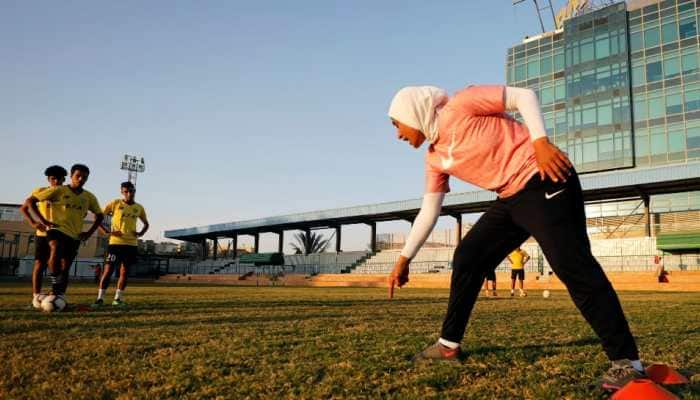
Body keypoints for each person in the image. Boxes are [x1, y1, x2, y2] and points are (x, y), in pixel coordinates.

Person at [386, 85, 643, 390]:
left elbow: (524, 96)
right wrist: (404, 259)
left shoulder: (462, 104)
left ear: (411, 113)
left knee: (572, 266)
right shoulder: (434, 159)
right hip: (510, 198)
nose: (398, 135)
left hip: (543, 178)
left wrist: (541, 143)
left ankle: (628, 363)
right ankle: (448, 345)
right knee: (469, 255)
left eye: (396, 124)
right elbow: (429, 210)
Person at [28, 164, 103, 301]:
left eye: (84, 177)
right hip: (56, 229)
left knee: (66, 266)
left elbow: (100, 216)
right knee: (54, 247)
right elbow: (30, 202)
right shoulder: (59, 190)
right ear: (71, 176)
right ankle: (51, 282)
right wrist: (43, 221)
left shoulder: (89, 197)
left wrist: (89, 232)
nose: (81, 179)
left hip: (74, 235)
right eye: (78, 176)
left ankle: (59, 296)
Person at [93, 181, 149, 307]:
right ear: (122, 192)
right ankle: (99, 298)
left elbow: (146, 223)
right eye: (126, 191)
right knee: (108, 271)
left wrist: (140, 233)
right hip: (115, 243)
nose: (129, 194)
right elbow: (99, 217)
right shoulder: (115, 203)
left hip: (131, 244)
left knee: (124, 272)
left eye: (131, 191)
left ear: (134, 191)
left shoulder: (138, 207)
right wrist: (107, 232)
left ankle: (117, 299)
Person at [20, 165, 67, 308]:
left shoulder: (66, 193)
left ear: (64, 179)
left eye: (59, 178)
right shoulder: (40, 192)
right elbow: (24, 208)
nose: (56, 181)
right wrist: (34, 223)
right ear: (48, 179)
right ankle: (36, 296)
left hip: (60, 233)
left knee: (60, 264)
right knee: (39, 264)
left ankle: (57, 293)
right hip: (42, 234)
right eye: (53, 178)